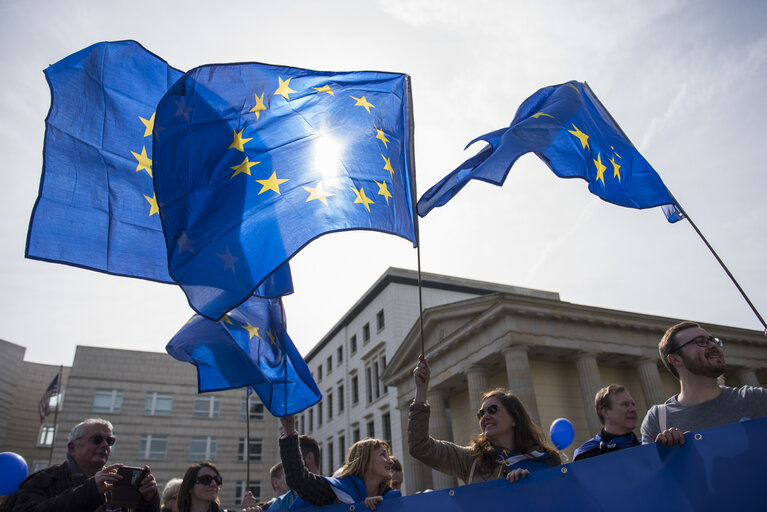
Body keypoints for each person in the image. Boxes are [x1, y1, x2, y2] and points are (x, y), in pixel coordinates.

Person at [409, 356, 560, 486]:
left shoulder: (545, 459)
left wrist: (530, 480)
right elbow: (420, 446)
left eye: (492, 410)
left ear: (514, 418)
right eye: (481, 413)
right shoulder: (471, 460)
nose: (485, 416)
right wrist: (421, 390)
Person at [641, 321, 767, 445]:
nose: (713, 345)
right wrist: (668, 454)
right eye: (700, 342)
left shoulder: (754, 399)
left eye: (713, 340)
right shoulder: (658, 420)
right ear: (675, 359)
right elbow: (649, 466)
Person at [9, 418, 159, 512]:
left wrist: (149, 501)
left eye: (109, 441)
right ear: (72, 448)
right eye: (97, 439)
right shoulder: (45, 480)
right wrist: (91, 490)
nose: (105, 445)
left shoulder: (116, 482)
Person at [279, 416, 400, 510]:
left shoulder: (392, 499)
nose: (390, 462)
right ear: (366, 462)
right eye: (383, 455)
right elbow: (299, 480)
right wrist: (289, 431)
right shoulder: (335, 492)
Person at [573, 384, 640, 461]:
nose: (633, 409)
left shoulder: (648, 447)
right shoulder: (585, 456)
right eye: (625, 404)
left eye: (633, 404)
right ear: (605, 412)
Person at [267, 436, 321, 510]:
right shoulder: (280, 504)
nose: (289, 468)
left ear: (309, 458)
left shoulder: (333, 492)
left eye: (292, 460)